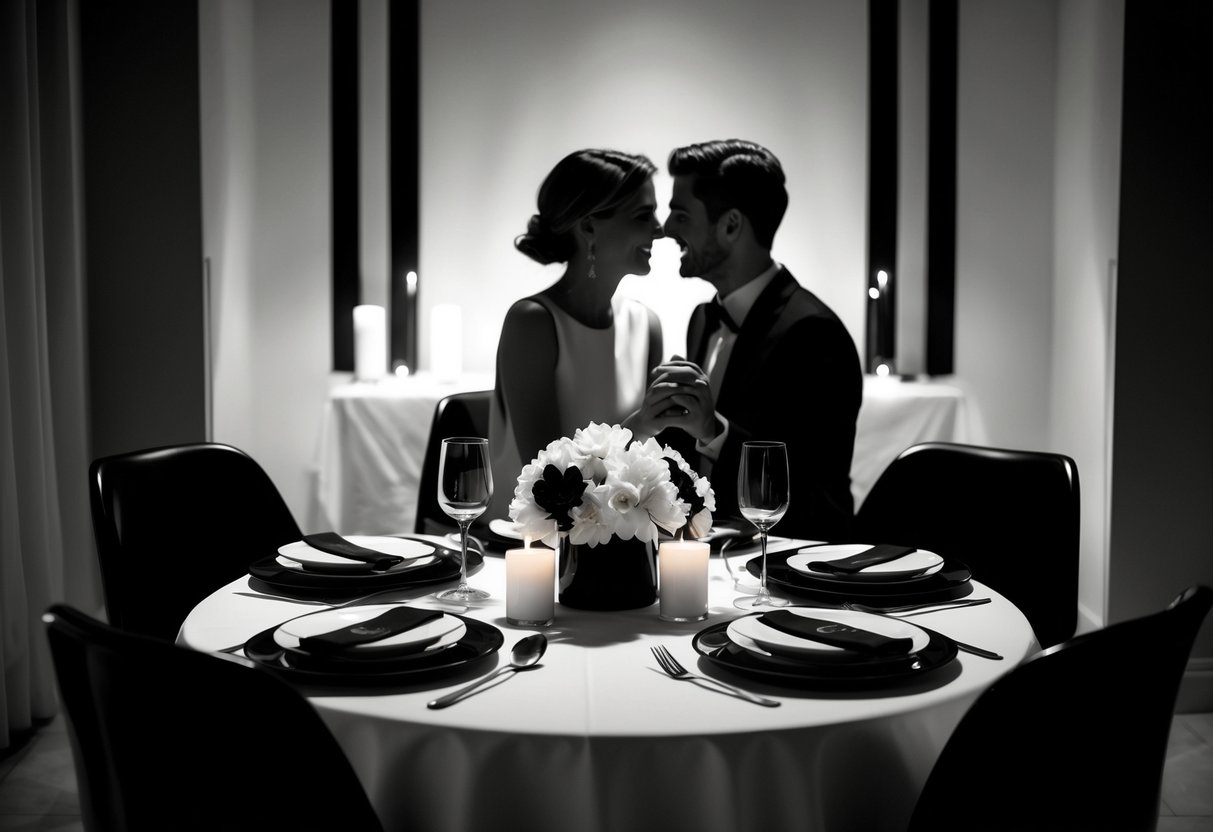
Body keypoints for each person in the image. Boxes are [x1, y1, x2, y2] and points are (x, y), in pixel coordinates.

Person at [631, 139, 862, 542]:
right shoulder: (702, 319)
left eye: (681, 215)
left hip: (787, 567)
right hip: (707, 563)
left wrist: (713, 430)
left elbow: (814, 497)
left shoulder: (814, 335)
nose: (667, 229)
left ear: (732, 225)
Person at [486, 149, 665, 526]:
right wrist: (644, 422)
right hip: (527, 549)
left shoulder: (646, 325)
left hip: (618, 544)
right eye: (642, 215)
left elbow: (649, 468)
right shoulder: (532, 323)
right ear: (588, 227)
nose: (659, 229)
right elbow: (548, 481)